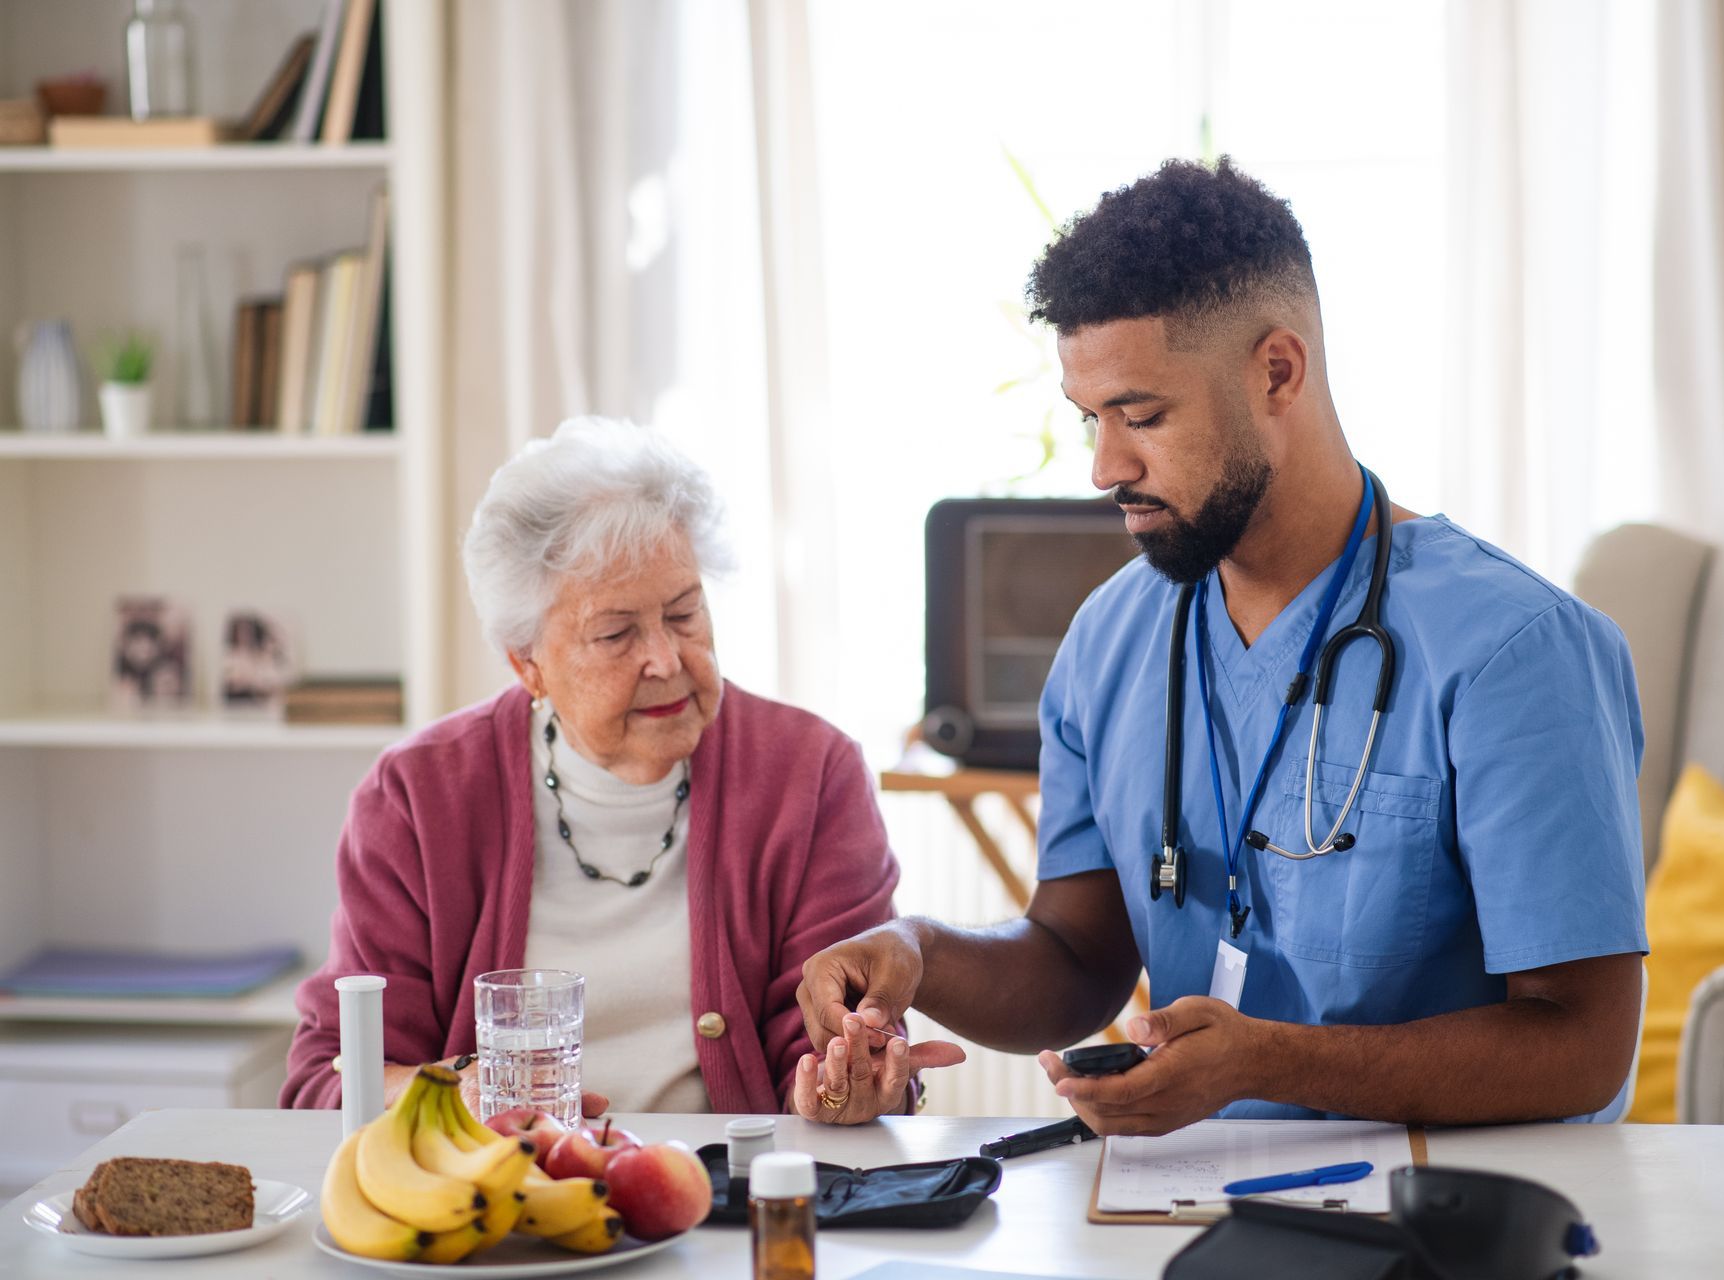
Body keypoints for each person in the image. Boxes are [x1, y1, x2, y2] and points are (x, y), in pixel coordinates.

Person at [800, 159, 1648, 1136]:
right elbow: (1076, 961)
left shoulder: (1515, 650)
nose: (1105, 467)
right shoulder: (1110, 640)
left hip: (1454, 1213)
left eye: (1143, 415)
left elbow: (1581, 1044)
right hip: (1192, 1204)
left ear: (1277, 371)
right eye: (1091, 419)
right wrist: (919, 950)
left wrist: (1265, 1058)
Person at [283, 417, 960, 1123]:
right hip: (496, 1209)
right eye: (615, 634)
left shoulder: (811, 774)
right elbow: (325, 1077)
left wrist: (843, 1080)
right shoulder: (418, 798)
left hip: (729, 1197)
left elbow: (831, 1040)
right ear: (527, 662)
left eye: (685, 613)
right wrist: (457, 1092)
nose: (666, 660)